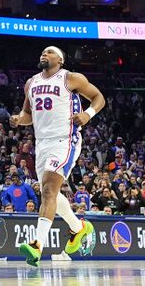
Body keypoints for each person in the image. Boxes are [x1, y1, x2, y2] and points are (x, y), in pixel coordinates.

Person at [12, 46, 105, 267]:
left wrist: (87, 114)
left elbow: (98, 97)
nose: (44, 53)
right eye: (42, 51)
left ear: (60, 60)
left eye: (50, 52)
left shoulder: (70, 78)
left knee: (48, 190)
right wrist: (18, 119)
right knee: (48, 193)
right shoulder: (31, 83)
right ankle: (78, 227)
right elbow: (28, 115)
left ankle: (37, 245)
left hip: (65, 139)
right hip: (42, 143)